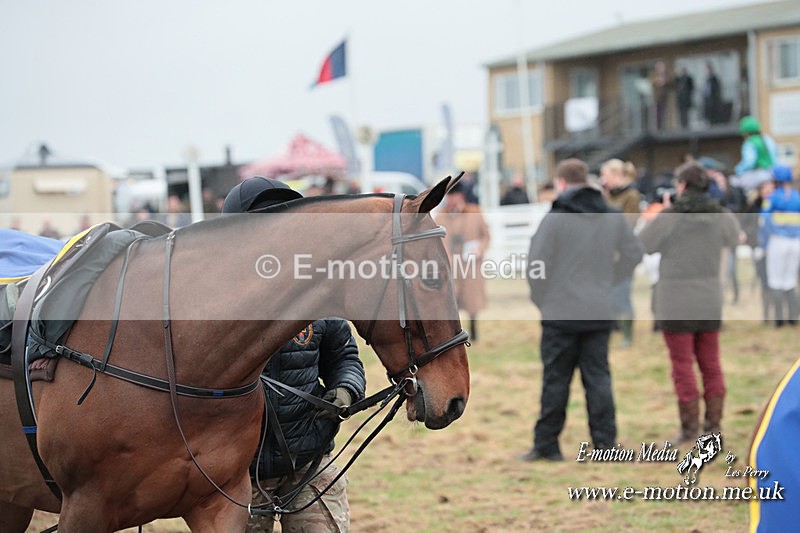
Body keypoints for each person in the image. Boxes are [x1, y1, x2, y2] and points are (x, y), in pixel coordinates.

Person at [221, 177, 367, 533]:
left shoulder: (320, 289)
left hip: (309, 464)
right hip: (237, 474)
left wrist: (346, 389)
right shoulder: (215, 302)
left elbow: (344, 355)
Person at [520, 158, 643, 461]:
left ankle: (547, 445)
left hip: (560, 311)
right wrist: (611, 281)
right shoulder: (611, 215)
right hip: (598, 309)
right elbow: (633, 254)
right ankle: (606, 444)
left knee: (555, 380)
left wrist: (543, 300)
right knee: (598, 378)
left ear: (561, 183)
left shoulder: (555, 219)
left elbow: (535, 266)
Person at [639, 162, 741, 444]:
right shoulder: (721, 215)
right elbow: (735, 239)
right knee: (711, 363)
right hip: (709, 298)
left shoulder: (670, 216)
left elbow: (644, 244)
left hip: (675, 301)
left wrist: (664, 211)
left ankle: (689, 429)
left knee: (682, 365)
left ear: (682, 186)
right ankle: (714, 427)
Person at [436, 181, 490, 341]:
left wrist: (479, 249)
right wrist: (447, 257)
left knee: (472, 300)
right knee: (450, 301)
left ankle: (474, 331)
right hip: (450, 265)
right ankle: (454, 334)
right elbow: (437, 240)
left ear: (461, 196)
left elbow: (486, 236)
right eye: (449, 196)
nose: (451, 199)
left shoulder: (475, 213)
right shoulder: (441, 216)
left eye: (454, 195)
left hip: (471, 264)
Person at [600, 159, 641, 347]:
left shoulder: (631, 196)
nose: (603, 179)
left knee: (621, 294)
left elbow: (629, 225)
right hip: (605, 254)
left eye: (605, 175)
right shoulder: (606, 197)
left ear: (616, 175)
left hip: (622, 254)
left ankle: (627, 335)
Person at [759, 165, 800, 327]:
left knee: (776, 280)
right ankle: (793, 318)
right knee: (790, 280)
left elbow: (764, 221)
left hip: (777, 241)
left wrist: (762, 245)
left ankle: (779, 319)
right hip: (796, 242)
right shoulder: (797, 197)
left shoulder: (772, 198)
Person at [742, 180, 776, 323]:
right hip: (759, 248)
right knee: (764, 283)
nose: (768, 192)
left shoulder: (779, 206)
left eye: (771, 189)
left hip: (775, 248)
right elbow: (746, 226)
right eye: (765, 190)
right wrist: (754, 243)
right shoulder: (754, 206)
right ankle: (766, 315)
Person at [733, 115, 779, 190]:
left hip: (758, 176)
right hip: (772, 175)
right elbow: (775, 159)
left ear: (745, 133)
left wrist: (738, 170)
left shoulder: (749, 143)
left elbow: (749, 162)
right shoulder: (768, 139)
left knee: (733, 182)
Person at [651, 61, 671, 130]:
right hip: (657, 98)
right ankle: (658, 128)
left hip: (664, 98)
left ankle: (663, 127)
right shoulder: (654, 75)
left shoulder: (666, 75)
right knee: (657, 115)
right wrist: (659, 81)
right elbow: (653, 82)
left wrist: (663, 82)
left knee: (664, 114)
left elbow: (669, 82)